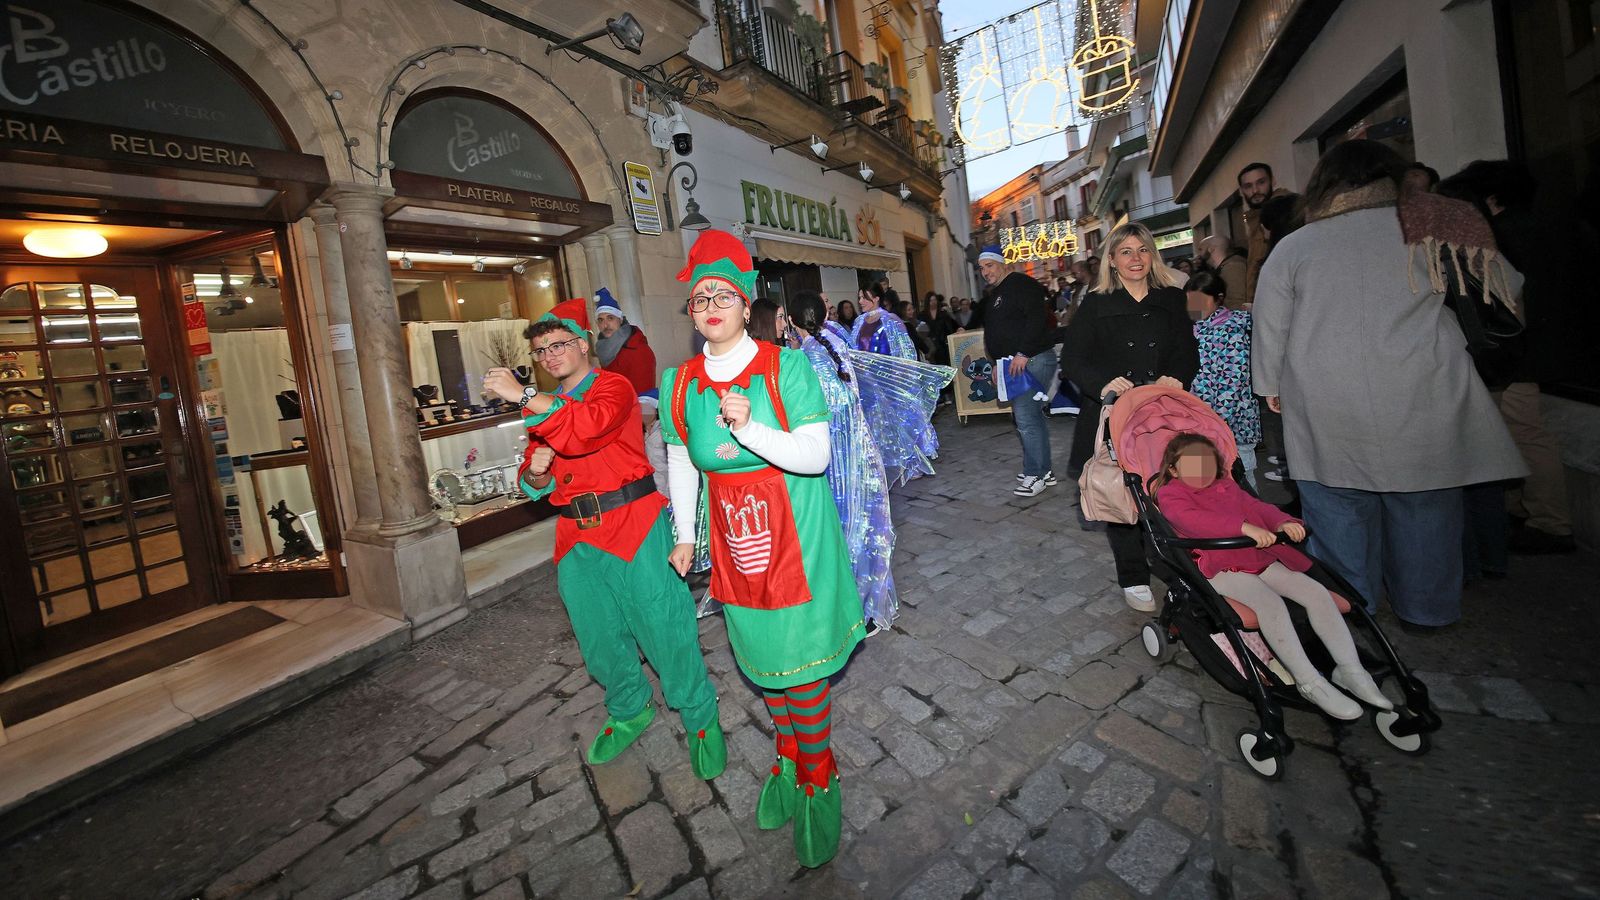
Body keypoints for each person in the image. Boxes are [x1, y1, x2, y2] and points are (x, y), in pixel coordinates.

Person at [1252, 139, 1527, 630]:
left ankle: (1350, 604)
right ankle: (1428, 610)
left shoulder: (1296, 245)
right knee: (1426, 507)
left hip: (1325, 393)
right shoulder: (1433, 225)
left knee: (1336, 506)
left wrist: (1270, 388)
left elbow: (1270, 327)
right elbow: (1504, 289)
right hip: (1423, 388)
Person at [662, 230, 863, 868]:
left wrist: (752, 429)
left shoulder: (787, 366)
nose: (711, 305)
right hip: (733, 540)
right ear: (691, 313)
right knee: (763, 665)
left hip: (797, 535)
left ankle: (818, 775)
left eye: (724, 294)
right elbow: (682, 461)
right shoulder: (679, 382)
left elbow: (815, 456)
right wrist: (686, 536)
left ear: (748, 305)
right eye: (699, 298)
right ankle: (785, 755)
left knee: (800, 667)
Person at [481, 299, 724, 779]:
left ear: (582, 343)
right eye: (540, 351)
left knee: (664, 626)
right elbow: (535, 480)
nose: (550, 356)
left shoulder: (613, 387)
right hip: (575, 538)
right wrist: (533, 471)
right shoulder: (545, 408)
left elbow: (585, 431)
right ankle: (630, 708)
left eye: (558, 345)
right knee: (598, 636)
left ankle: (699, 716)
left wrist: (524, 395)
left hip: (633, 524)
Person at [1153, 433, 1392, 719]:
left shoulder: (1227, 486)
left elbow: (1257, 508)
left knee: (1316, 592)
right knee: (1270, 605)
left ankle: (1350, 670)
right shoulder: (1171, 494)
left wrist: (1283, 521)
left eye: (1207, 463)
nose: (1201, 470)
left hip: (1257, 558)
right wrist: (1244, 528)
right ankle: (1308, 680)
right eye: (1191, 464)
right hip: (1219, 566)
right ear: (1174, 470)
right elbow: (1192, 520)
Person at [1439, 159, 1588, 556]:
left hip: (1518, 355)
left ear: (1490, 198)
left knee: (1524, 432)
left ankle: (1550, 523)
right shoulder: (1551, 227)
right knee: (1520, 431)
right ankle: (1529, 512)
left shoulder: (1506, 236)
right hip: (1538, 349)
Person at [1063, 221, 1199, 611]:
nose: (1135, 258)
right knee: (1120, 490)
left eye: (1142, 250)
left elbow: (1187, 350)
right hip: (1114, 413)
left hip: (1161, 410)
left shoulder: (1170, 298)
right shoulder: (1096, 304)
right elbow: (1073, 359)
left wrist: (1178, 375)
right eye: (1126, 251)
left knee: (1167, 488)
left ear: (1152, 255)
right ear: (1112, 260)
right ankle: (1133, 574)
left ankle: (1174, 561)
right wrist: (1104, 383)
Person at [788, 289, 899, 630]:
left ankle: (861, 608)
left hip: (838, 457)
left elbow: (826, 408)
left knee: (850, 528)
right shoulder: (834, 341)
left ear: (792, 322)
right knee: (865, 525)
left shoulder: (808, 357)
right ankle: (864, 602)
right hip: (857, 449)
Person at [977, 245, 1059, 496]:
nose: (985, 272)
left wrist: (1023, 352)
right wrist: (995, 363)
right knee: (1031, 417)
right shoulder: (998, 292)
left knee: (1025, 418)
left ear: (1004, 264)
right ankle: (1042, 470)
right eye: (981, 268)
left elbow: (1036, 318)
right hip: (1014, 362)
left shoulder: (1021, 284)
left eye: (989, 265)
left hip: (1031, 360)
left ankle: (1036, 475)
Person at [1185, 271, 1262, 487]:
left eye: (1200, 301)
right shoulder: (1195, 327)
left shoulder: (1232, 329)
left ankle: (1257, 518)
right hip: (1202, 419)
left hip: (1233, 421)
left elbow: (1234, 381)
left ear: (1219, 298)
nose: (1193, 307)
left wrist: (1217, 422)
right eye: (1190, 301)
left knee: (1242, 476)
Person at [594, 288, 667, 493]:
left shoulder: (636, 349)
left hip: (635, 425)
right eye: (600, 320)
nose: (605, 324)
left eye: (610, 318)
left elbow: (643, 396)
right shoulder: (607, 348)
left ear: (620, 319)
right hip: (619, 422)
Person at [1238, 162, 1291, 305]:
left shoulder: (1285, 210)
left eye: (1261, 182)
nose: (1255, 190)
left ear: (1272, 181)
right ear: (1241, 190)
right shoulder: (1254, 218)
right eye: (1248, 186)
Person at [851, 286, 917, 360]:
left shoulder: (890, 320)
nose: (860, 301)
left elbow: (905, 349)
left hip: (886, 368)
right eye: (860, 298)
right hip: (862, 368)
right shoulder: (859, 321)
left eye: (864, 298)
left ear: (876, 298)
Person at [1196, 236, 1249, 310]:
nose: (1198, 254)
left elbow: (1237, 303)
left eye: (1200, 249)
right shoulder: (1226, 267)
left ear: (1211, 249)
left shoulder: (1232, 267)